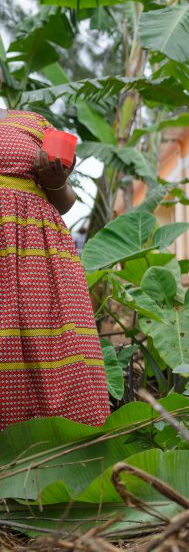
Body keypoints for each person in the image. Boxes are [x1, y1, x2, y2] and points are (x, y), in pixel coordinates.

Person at [0, 108, 110, 431]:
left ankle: (58, 454)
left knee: (52, 358)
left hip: (38, 260)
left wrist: (57, 179)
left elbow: (64, 200)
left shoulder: (31, 123)